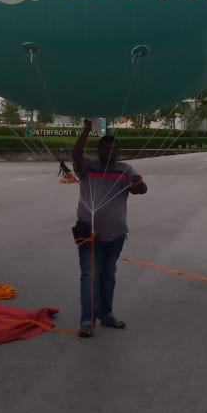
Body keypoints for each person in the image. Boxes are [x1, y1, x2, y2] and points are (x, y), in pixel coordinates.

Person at [72, 119, 147, 338]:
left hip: (116, 235)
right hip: (88, 233)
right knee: (89, 275)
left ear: (118, 151)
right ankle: (87, 320)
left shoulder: (125, 170)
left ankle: (106, 314)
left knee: (108, 276)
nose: (110, 151)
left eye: (114, 148)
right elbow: (75, 154)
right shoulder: (87, 167)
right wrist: (86, 130)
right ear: (98, 151)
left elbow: (141, 188)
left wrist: (138, 185)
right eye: (105, 148)